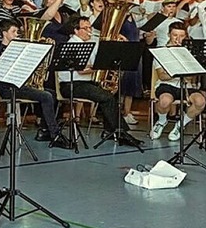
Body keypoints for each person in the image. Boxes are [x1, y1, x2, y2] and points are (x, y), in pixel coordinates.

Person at [57, 16, 143, 148]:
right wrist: (101, 65)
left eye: (89, 27)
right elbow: (82, 71)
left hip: (85, 83)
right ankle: (121, 133)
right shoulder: (71, 45)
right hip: (71, 84)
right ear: (76, 30)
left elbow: (106, 52)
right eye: (85, 28)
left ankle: (110, 131)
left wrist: (118, 42)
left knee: (108, 94)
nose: (89, 31)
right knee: (106, 97)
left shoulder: (92, 41)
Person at [0, 18, 69, 148]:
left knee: (51, 94)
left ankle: (44, 131)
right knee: (46, 96)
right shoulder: (2, 51)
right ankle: (55, 134)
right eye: (14, 31)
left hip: (18, 85)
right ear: (4, 33)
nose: (17, 34)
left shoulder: (14, 48)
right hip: (8, 88)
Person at [150, 22, 206, 141]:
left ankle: (181, 124)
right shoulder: (161, 52)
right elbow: (162, 76)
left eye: (181, 36)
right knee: (165, 101)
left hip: (185, 86)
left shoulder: (188, 53)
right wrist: (179, 73)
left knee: (200, 102)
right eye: (175, 35)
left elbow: (191, 78)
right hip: (166, 85)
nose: (178, 39)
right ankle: (161, 121)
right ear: (169, 34)